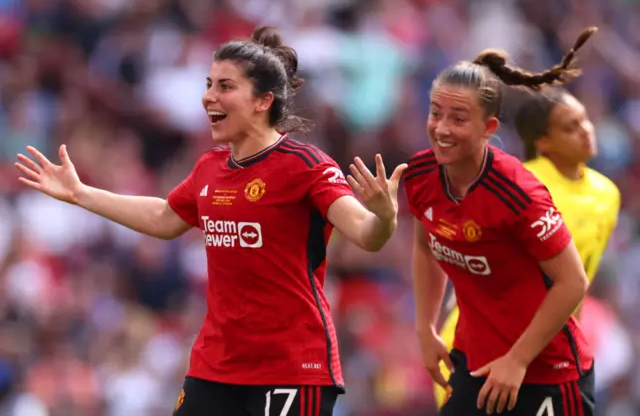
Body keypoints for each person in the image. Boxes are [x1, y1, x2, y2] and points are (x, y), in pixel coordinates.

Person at [14, 26, 407, 416]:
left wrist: (385, 216)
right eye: (208, 84)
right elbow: (165, 217)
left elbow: (365, 234)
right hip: (218, 364)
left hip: (291, 365)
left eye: (224, 86)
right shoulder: (210, 167)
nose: (208, 97)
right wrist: (81, 193)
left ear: (262, 100)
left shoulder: (306, 166)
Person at [404, 27, 598, 415]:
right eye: (435, 113)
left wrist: (518, 359)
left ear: (488, 129)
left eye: (458, 118)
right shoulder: (420, 175)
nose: (441, 128)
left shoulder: (518, 192)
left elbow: (572, 281)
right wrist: (425, 328)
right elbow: (426, 247)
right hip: (473, 364)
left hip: (547, 373)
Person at [434, 75, 621, 412]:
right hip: (483, 346)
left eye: (584, 120)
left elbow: (579, 281)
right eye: (570, 126)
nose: (586, 130)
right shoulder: (522, 185)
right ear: (544, 142)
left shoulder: (607, 194)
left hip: (543, 350)